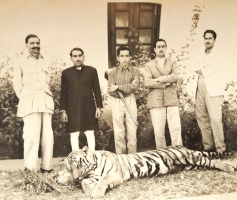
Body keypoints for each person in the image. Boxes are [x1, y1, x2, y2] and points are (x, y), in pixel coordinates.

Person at [13, 34, 54, 172]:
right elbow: (17, 85)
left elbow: (48, 82)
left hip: (45, 101)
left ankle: (46, 167)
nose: (36, 46)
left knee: (48, 136)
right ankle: (31, 168)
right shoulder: (20, 61)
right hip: (29, 102)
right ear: (26, 45)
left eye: (37, 43)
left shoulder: (45, 60)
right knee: (31, 135)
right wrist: (25, 97)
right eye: (32, 43)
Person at [189, 30, 226, 153]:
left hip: (213, 88)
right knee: (202, 117)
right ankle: (208, 147)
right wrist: (201, 69)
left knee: (215, 118)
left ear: (214, 40)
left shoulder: (219, 53)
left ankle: (220, 149)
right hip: (199, 85)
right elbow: (193, 66)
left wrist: (201, 69)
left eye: (210, 38)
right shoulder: (200, 53)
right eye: (206, 38)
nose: (207, 40)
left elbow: (214, 67)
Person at [60, 48, 103, 151]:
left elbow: (97, 90)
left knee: (90, 132)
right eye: (75, 56)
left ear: (84, 57)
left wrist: (99, 107)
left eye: (80, 55)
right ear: (71, 58)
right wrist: (63, 110)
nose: (77, 58)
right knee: (74, 133)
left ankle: (92, 156)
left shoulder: (92, 71)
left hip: (89, 106)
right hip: (72, 108)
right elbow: (63, 93)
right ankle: (76, 156)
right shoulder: (66, 73)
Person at [144, 39, 183, 149]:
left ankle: (179, 154)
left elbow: (175, 77)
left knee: (175, 128)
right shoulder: (149, 65)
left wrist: (160, 78)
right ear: (155, 49)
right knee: (159, 131)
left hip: (171, 98)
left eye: (163, 46)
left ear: (166, 48)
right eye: (159, 47)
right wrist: (164, 83)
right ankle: (162, 156)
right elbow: (147, 82)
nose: (161, 49)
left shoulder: (172, 62)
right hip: (156, 100)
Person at [108, 46, 140, 154]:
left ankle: (132, 158)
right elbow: (111, 91)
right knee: (118, 131)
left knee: (132, 130)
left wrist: (117, 87)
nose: (124, 59)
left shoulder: (135, 71)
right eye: (122, 56)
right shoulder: (112, 73)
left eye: (127, 56)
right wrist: (126, 87)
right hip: (117, 101)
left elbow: (134, 86)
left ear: (130, 57)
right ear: (118, 58)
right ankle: (121, 158)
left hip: (131, 100)